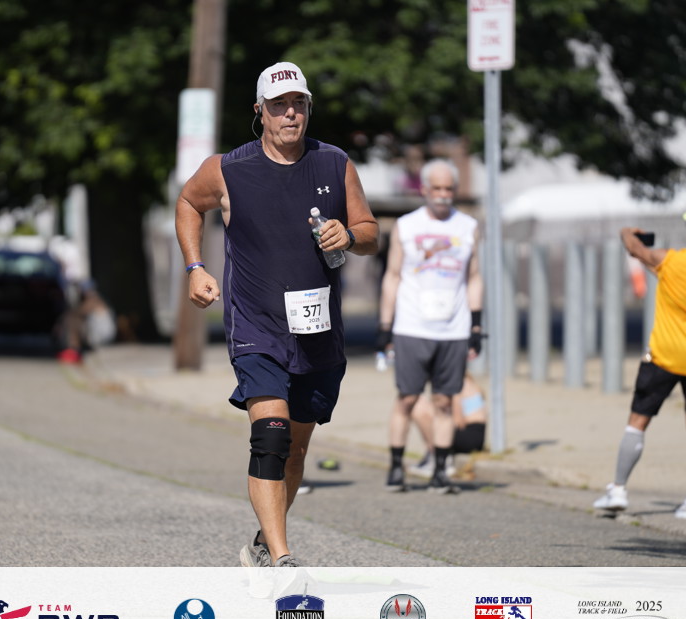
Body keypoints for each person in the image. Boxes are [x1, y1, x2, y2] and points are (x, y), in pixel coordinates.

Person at [175, 61, 379, 568]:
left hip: (317, 331)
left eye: (298, 104)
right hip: (256, 326)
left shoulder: (334, 163)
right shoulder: (228, 169)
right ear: (260, 111)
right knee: (271, 436)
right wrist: (195, 267)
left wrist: (349, 235)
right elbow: (188, 203)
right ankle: (284, 558)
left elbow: (370, 232)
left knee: (296, 452)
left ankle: (264, 543)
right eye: (279, 105)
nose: (290, 114)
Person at [593, 207, 686, 520]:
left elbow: (636, 250)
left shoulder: (674, 260)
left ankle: (618, 489)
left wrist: (627, 232)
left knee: (638, 421)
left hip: (664, 356)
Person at [377, 158, 483, 494]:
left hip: (453, 328)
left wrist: (476, 325)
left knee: (444, 401)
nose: (443, 194)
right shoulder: (407, 226)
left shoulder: (467, 226)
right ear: (424, 189)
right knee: (407, 399)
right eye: (436, 188)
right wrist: (385, 325)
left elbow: (474, 277)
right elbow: (392, 276)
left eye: (448, 188)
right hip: (412, 325)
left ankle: (440, 471)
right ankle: (396, 466)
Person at [408, 372, 487, 478]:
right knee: (434, 413)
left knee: (419, 406)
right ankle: (435, 456)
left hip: (468, 436)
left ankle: (440, 458)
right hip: (476, 436)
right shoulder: (467, 382)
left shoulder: (458, 384)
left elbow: (458, 422)